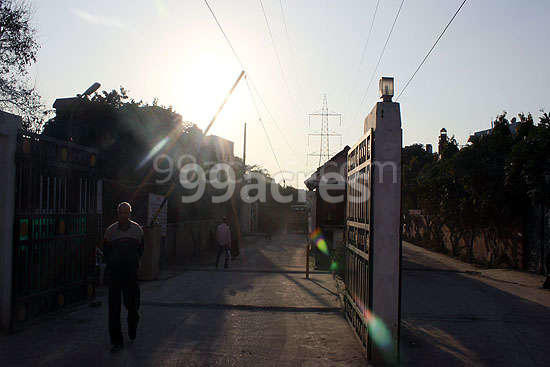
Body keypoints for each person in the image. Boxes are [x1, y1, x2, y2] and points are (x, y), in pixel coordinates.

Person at [102, 202, 144, 353]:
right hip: (115, 274)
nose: (124, 215)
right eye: (121, 213)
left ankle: (133, 324)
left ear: (130, 214)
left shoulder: (137, 230)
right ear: (117, 214)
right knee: (114, 309)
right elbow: (105, 251)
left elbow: (141, 250)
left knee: (132, 305)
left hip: (131, 274)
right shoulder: (110, 232)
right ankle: (116, 341)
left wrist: (133, 263)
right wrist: (113, 263)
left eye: (126, 213)